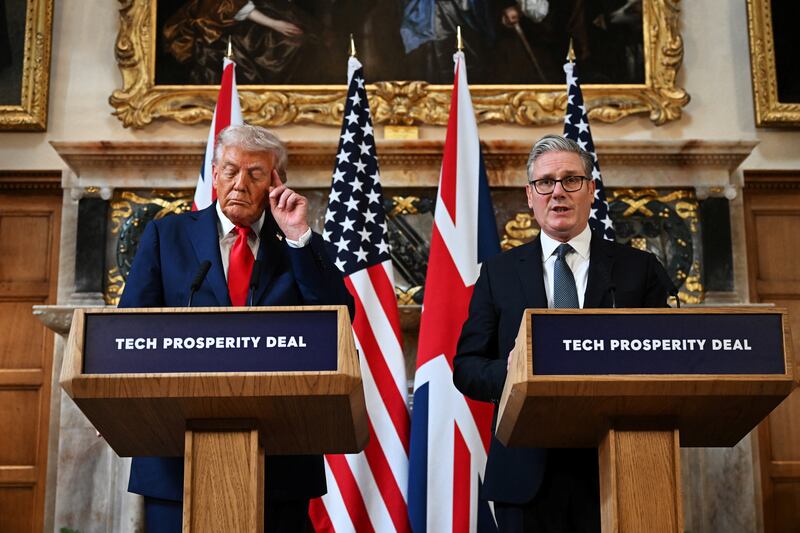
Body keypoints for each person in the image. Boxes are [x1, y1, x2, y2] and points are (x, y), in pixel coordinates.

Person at [118, 124, 353, 533]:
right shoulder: (166, 235)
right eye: (230, 170)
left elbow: (337, 315)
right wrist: (119, 405)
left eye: (255, 174)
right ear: (214, 172)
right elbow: (130, 329)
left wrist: (298, 235)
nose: (240, 184)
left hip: (280, 460)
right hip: (176, 459)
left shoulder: (300, 244)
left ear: (275, 181)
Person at [453, 134, 668, 532]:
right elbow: (466, 367)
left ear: (590, 190)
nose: (558, 193)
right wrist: (512, 370)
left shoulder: (639, 269)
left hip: (617, 467)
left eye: (571, 180)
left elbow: (669, 356)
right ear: (530, 195)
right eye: (545, 183)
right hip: (525, 473)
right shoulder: (498, 273)